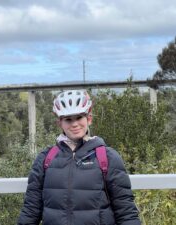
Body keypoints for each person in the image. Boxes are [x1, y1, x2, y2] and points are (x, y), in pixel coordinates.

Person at [17, 90, 141, 225]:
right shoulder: (45, 158)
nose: (74, 124)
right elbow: (31, 209)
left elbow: (126, 210)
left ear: (89, 119)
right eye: (68, 119)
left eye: (79, 117)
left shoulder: (107, 157)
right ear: (60, 123)